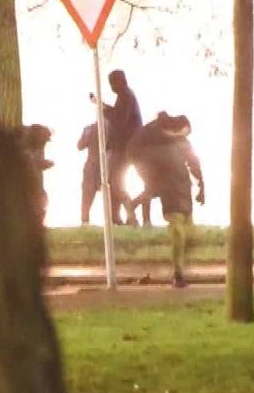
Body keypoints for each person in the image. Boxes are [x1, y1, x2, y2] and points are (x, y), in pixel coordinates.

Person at [129, 113, 204, 287]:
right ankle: (178, 273)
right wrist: (153, 183)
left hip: (183, 188)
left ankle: (180, 268)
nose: (186, 135)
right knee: (178, 231)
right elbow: (140, 159)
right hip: (170, 192)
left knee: (189, 233)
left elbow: (193, 161)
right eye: (185, 132)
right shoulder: (154, 144)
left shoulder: (182, 142)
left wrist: (201, 184)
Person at [105, 69, 143, 226]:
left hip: (125, 148)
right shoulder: (125, 96)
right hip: (124, 147)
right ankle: (116, 217)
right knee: (114, 182)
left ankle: (131, 216)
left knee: (115, 183)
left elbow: (120, 121)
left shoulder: (126, 96)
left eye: (112, 84)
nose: (111, 88)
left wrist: (104, 109)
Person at [17, 124, 54, 227]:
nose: (46, 143)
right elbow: (31, 162)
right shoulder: (32, 143)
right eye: (46, 140)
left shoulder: (33, 142)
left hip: (33, 180)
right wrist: (43, 163)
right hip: (31, 181)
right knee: (38, 201)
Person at [77, 120, 101, 226]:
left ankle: (122, 219)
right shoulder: (90, 128)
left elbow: (80, 145)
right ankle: (85, 220)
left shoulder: (113, 126)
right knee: (88, 192)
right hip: (92, 164)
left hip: (105, 162)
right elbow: (80, 146)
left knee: (117, 191)